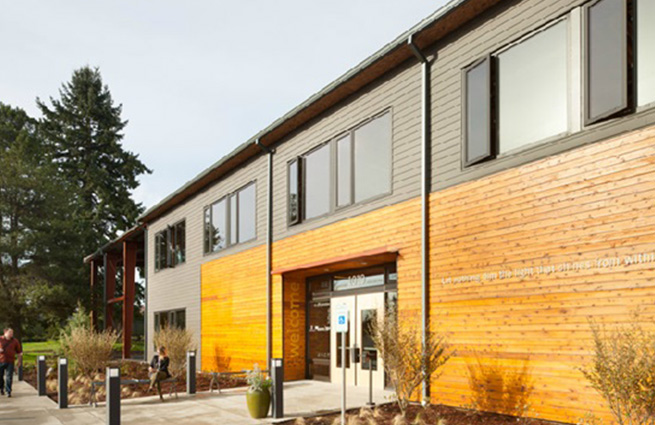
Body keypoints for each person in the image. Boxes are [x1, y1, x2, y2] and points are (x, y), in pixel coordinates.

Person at [0, 328, 22, 398]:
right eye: (10, 333)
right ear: (5, 332)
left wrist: (19, 361)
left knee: (9, 377)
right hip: (0, 361)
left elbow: (19, 352)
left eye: (12, 333)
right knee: (0, 376)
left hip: (10, 361)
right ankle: (1, 388)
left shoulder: (15, 341)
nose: (11, 334)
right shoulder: (0, 339)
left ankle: (8, 391)